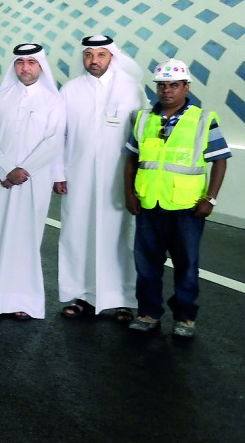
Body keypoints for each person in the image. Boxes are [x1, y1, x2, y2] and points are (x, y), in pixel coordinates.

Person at [124, 58, 231, 338]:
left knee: (186, 265)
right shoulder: (143, 118)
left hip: (187, 208)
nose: (167, 91)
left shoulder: (204, 120)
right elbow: (131, 160)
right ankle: (148, 313)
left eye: (174, 85)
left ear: (186, 87)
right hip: (149, 204)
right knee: (146, 265)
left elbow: (220, 161)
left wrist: (211, 199)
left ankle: (184, 318)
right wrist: (129, 194)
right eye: (162, 85)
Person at [0, 44, 65, 320]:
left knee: (24, 239)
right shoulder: (1, 99)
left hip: (33, 182)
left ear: (41, 67)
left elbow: (53, 142)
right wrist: (8, 170)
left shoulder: (53, 102)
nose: (25, 67)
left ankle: (21, 300)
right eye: (20, 62)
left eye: (31, 62)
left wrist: (23, 171)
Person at [54, 35, 146, 321]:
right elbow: (59, 134)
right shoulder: (70, 90)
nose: (94, 60)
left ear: (112, 57)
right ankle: (82, 296)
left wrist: (140, 180)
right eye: (89, 55)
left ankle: (123, 300)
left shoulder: (131, 89)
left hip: (119, 180)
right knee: (77, 233)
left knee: (120, 237)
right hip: (77, 176)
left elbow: (144, 136)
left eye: (101, 55)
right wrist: (58, 172)